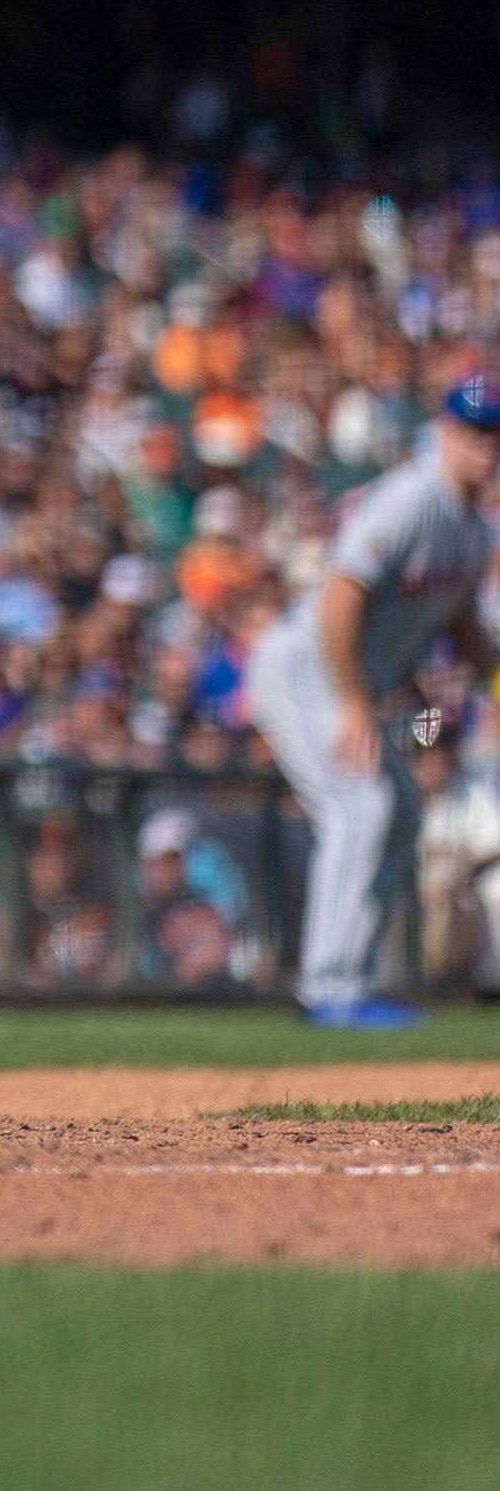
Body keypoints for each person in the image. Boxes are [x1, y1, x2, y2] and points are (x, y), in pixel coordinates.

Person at [243, 374, 500, 1029]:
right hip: (307, 666)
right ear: (445, 431)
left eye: (496, 434)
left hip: (344, 680)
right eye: (476, 431)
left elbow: (465, 627)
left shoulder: (471, 528)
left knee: (403, 813)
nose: (488, 446)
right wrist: (357, 704)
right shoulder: (413, 497)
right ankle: (327, 988)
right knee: (361, 805)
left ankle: (351, 980)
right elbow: (339, 596)